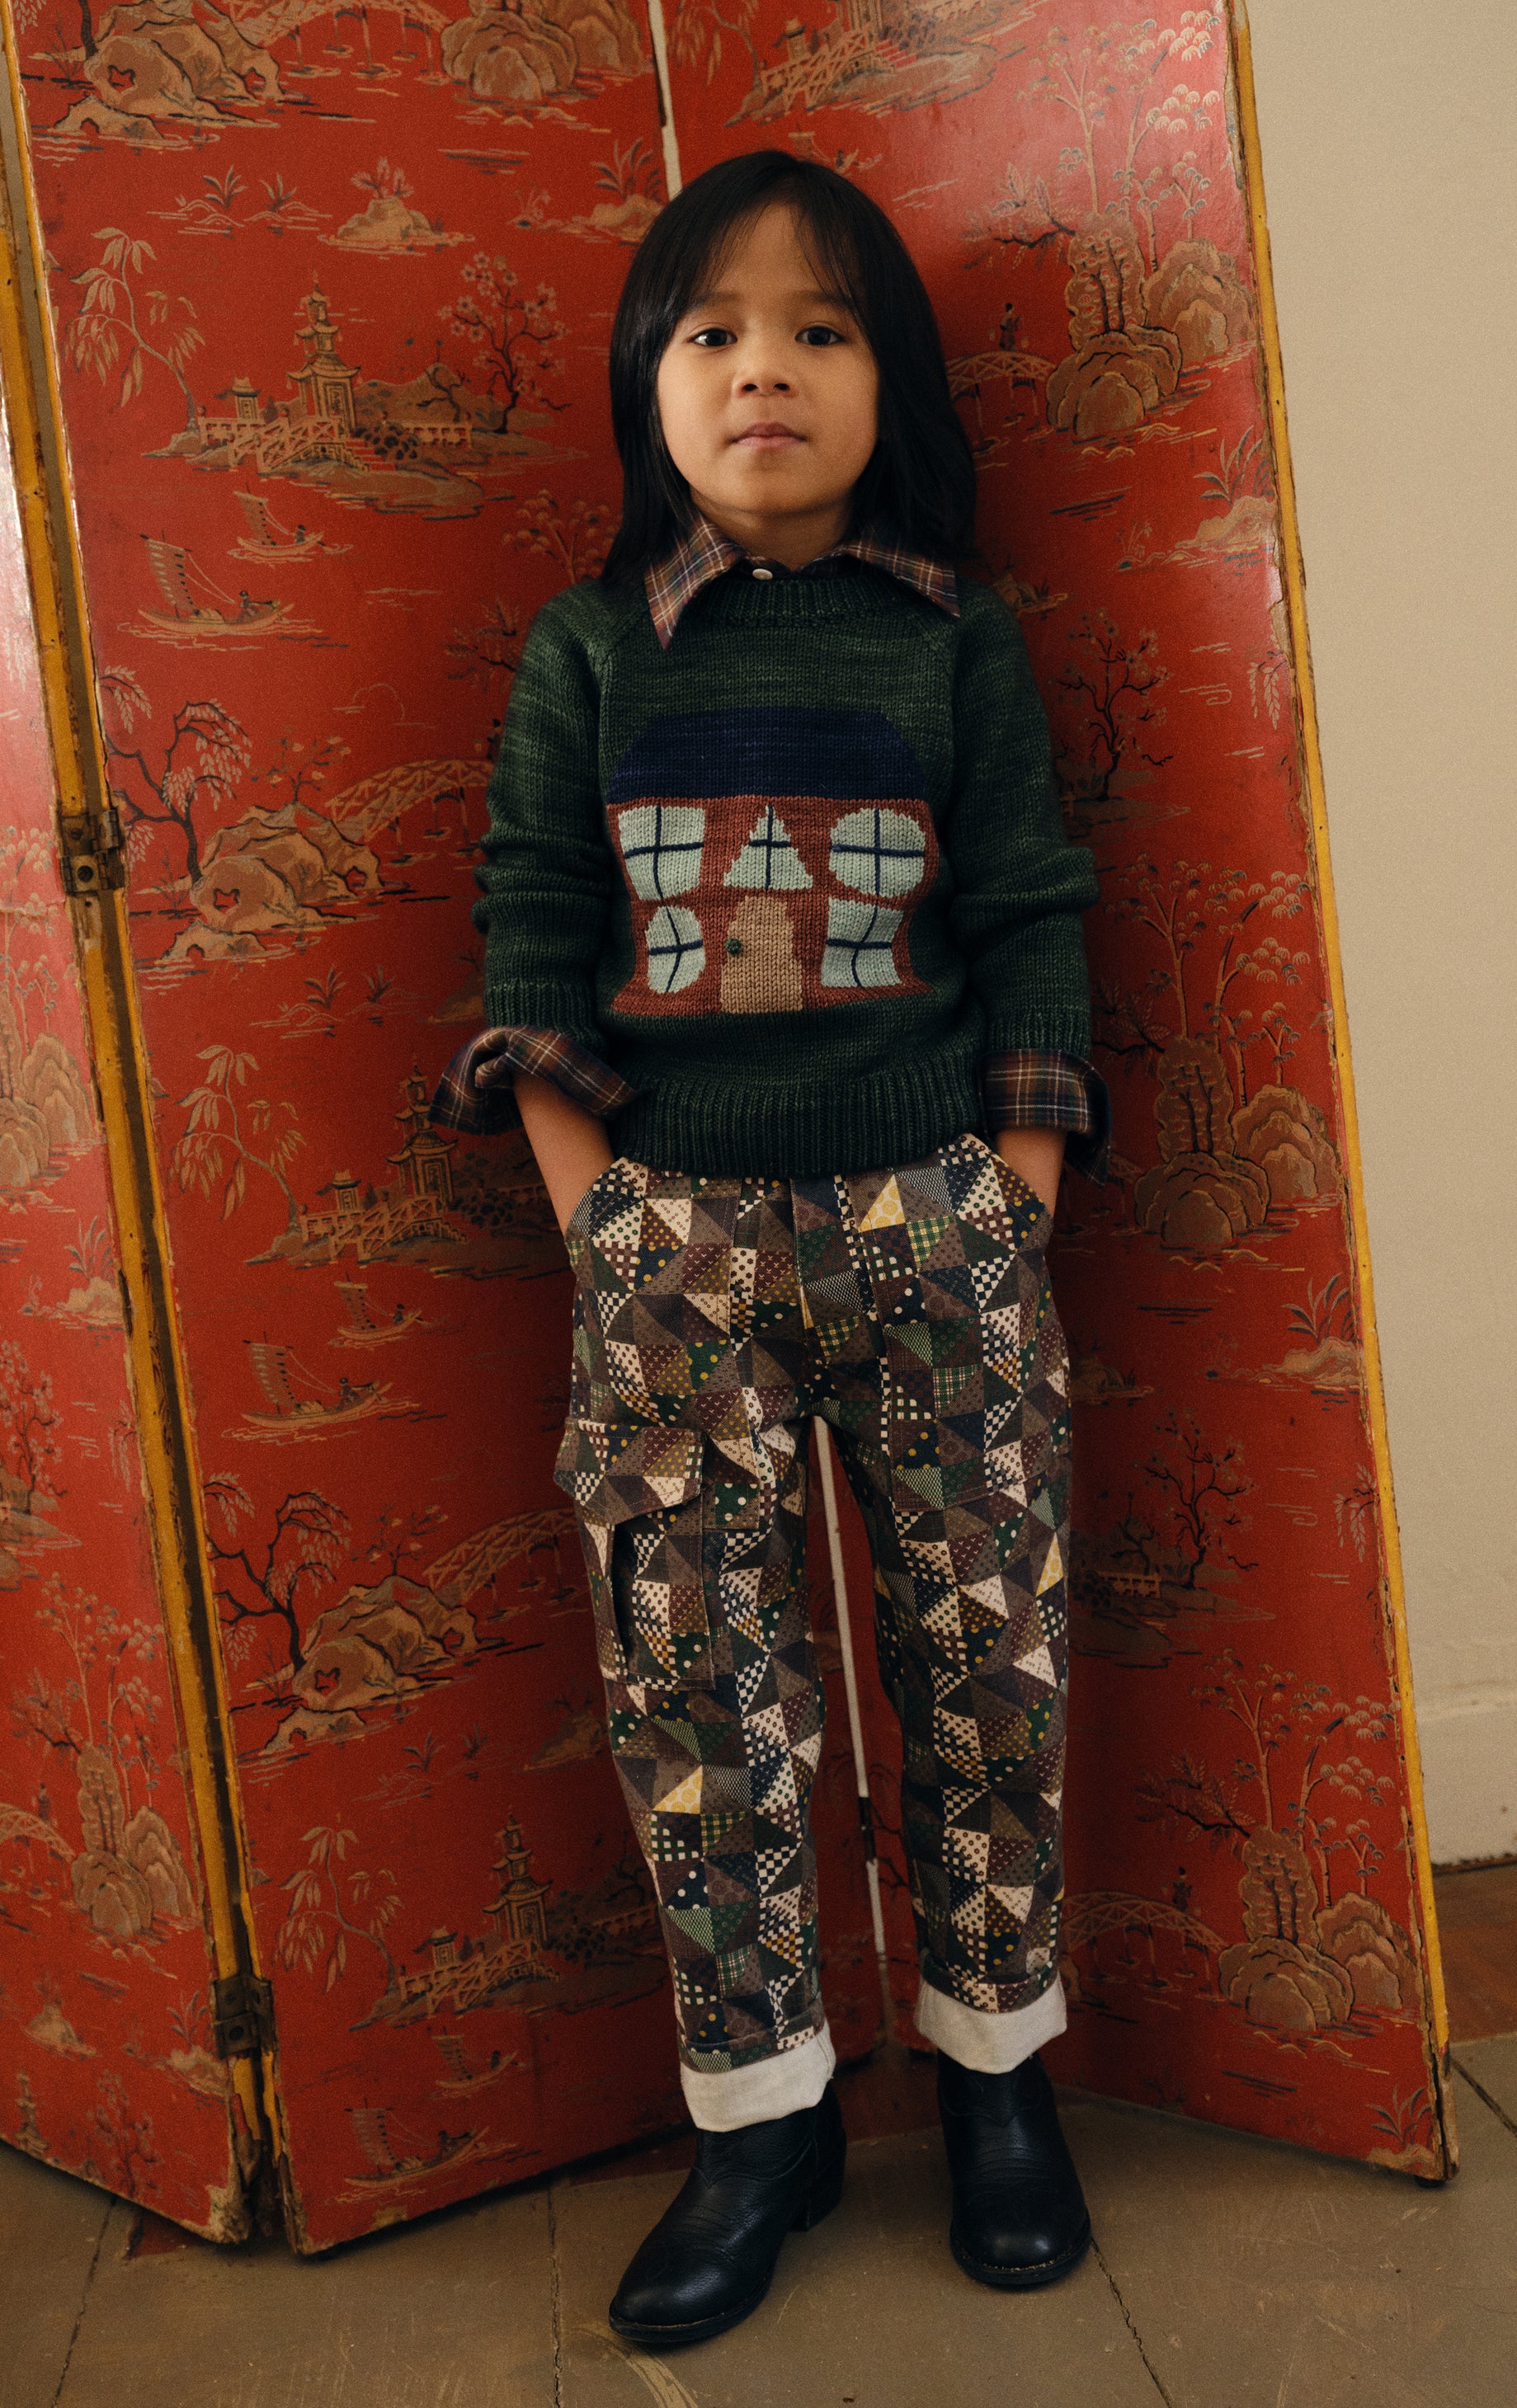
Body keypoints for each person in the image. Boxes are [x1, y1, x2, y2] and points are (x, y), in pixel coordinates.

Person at [427, 150, 1110, 2349]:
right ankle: (761, 2122)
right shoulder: (589, 647)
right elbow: (532, 920)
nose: (763, 372)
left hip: (939, 1226)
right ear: (648, 379)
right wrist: (598, 1211)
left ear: (887, 385)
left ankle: (998, 2078)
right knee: (699, 1695)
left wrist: (1014, 1200)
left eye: (820, 331)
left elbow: (1032, 907)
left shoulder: (956, 635)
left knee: (984, 1666)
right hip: (673, 1248)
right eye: (712, 331)